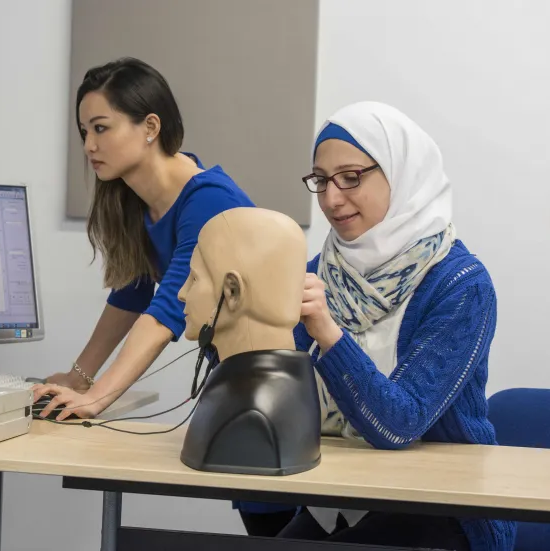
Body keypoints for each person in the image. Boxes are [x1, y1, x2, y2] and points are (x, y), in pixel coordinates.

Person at [239, 101, 515, 550]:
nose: (332, 199)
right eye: (321, 180)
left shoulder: (462, 286)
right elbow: (272, 396)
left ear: (402, 174)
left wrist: (329, 333)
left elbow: (399, 425)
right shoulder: (318, 273)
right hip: (340, 497)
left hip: (442, 507)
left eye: (351, 177)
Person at [31, 57, 254, 421]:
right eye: (85, 131)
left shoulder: (208, 201)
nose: (89, 146)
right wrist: (79, 379)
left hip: (287, 367)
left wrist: (97, 398)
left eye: (101, 128)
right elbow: (130, 296)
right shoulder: (137, 202)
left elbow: (166, 313)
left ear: (150, 126)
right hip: (236, 372)